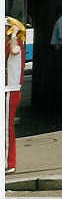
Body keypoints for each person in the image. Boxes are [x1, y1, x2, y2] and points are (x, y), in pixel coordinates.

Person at [6, 17, 26, 174]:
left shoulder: (15, 44)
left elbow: (13, 50)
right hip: (7, 90)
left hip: (9, 90)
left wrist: (14, 35)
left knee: (7, 128)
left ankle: (9, 162)